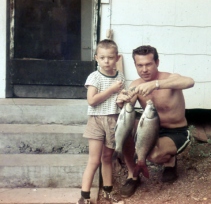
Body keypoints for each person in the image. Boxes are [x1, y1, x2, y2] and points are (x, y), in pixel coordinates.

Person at [116, 45, 195, 198]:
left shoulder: (171, 78)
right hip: (150, 129)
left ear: (157, 63)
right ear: (135, 65)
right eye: (140, 65)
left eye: (148, 64)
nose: (144, 69)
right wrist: (122, 101)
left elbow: (190, 82)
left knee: (154, 155)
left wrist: (156, 84)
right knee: (125, 127)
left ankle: (170, 161)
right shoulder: (136, 85)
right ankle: (133, 175)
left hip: (175, 132)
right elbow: (127, 107)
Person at [77, 39, 125, 204]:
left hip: (113, 119)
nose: (106, 61)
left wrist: (123, 98)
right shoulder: (95, 77)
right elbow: (92, 100)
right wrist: (112, 89)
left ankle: (108, 192)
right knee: (94, 159)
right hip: (97, 120)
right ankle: (84, 197)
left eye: (110, 57)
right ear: (96, 58)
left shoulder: (120, 77)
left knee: (107, 158)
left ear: (117, 58)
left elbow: (119, 102)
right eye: (103, 57)